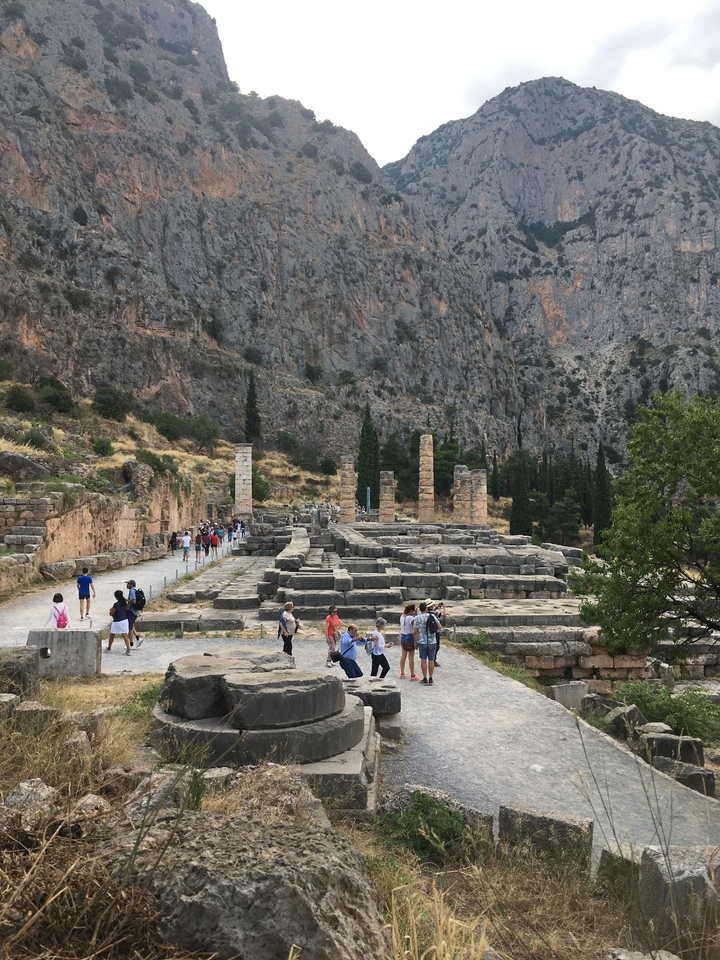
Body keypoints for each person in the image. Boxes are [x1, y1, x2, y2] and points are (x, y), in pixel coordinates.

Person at [413, 601, 436, 685]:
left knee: (423, 659)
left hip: (422, 641)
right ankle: (431, 678)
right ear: (426, 608)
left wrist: (415, 642)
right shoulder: (432, 616)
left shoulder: (417, 618)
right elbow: (439, 626)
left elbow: (415, 632)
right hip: (432, 641)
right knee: (431, 660)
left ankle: (425, 678)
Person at [399, 602, 419, 680]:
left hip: (403, 636)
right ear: (411, 611)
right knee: (411, 658)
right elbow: (416, 625)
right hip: (409, 636)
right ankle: (412, 674)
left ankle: (402, 673)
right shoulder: (410, 618)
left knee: (403, 656)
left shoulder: (402, 616)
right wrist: (415, 641)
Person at [108, 590, 131, 654]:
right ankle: (128, 649)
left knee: (112, 634)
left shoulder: (116, 604)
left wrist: (111, 610)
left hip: (117, 621)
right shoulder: (125, 603)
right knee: (124, 635)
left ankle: (109, 647)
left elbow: (111, 613)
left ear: (116, 597)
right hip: (124, 620)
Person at [126, 580, 143, 648]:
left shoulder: (132, 591)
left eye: (128, 584)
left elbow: (134, 601)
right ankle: (138, 638)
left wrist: (126, 600)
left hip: (132, 611)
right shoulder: (135, 590)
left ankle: (131, 644)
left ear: (132, 584)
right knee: (131, 625)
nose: (127, 585)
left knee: (129, 627)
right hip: (135, 611)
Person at [428, 600, 446, 666]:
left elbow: (432, 611)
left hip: (427, 631)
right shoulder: (435, 614)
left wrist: (437, 607)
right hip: (435, 631)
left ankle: (430, 659)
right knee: (436, 647)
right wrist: (444, 607)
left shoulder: (426, 612)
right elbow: (444, 615)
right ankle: (433, 660)